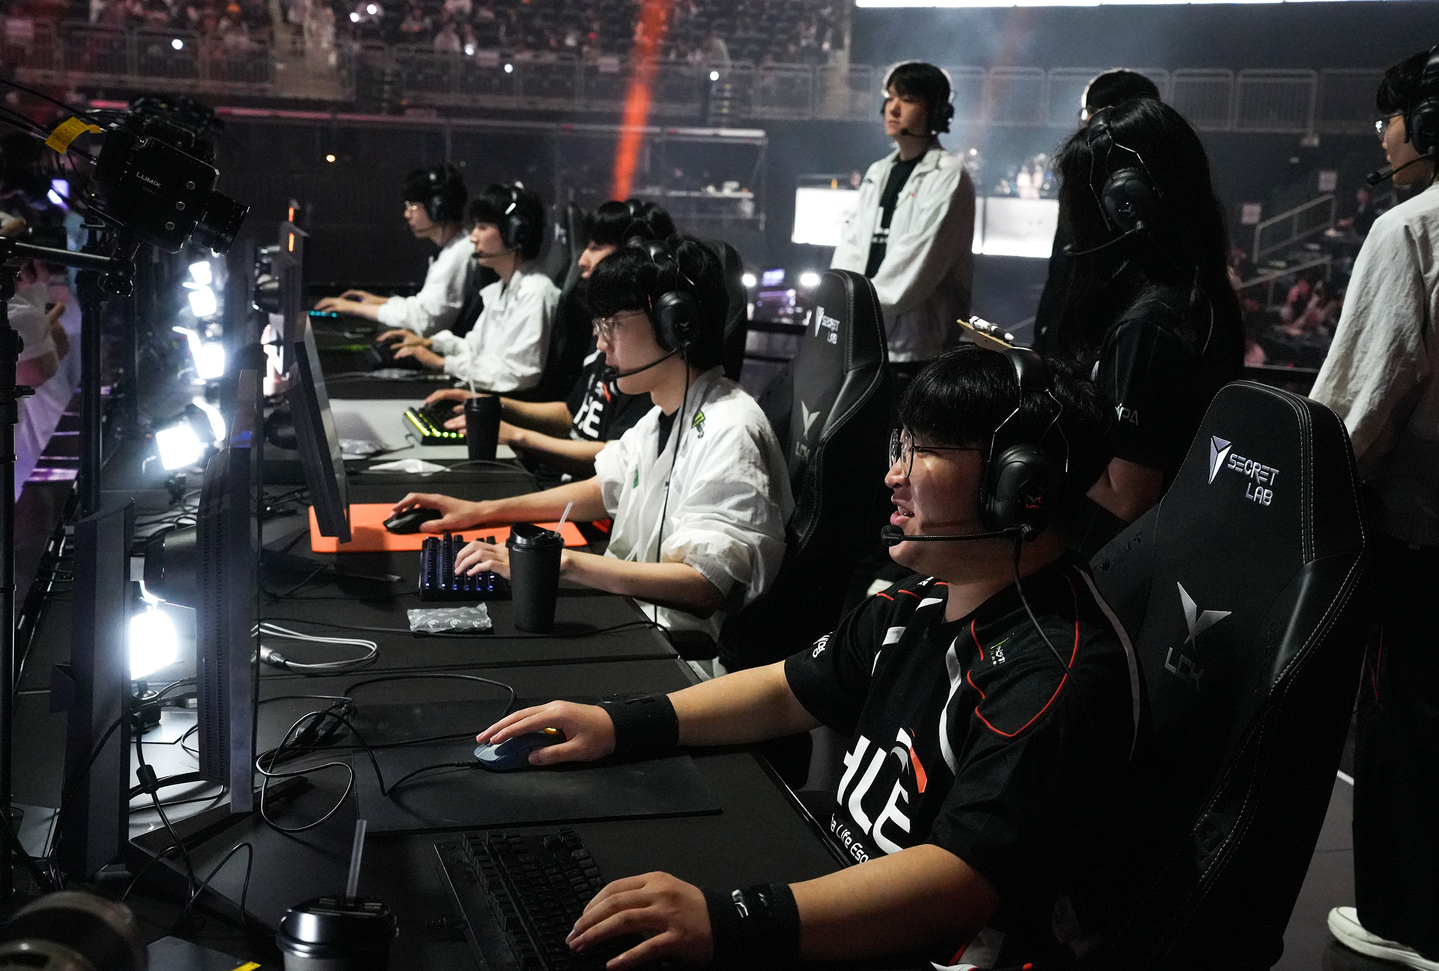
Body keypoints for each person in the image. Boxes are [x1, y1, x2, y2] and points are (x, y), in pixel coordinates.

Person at [472, 346, 1140, 970]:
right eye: (897, 447)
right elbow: (790, 689)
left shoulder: (1055, 671)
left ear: (1015, 485)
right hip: (838, 883)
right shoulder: (920, 598)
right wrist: (619, 722)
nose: (892, 475)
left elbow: (957, 884)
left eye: (922, 452)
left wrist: (728, 918)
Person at [391, 235, 791, 649]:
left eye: (612, 326)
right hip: (635, 619)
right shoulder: (663, 416)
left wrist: (561, 563)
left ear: (677, 328)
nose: (601, 344)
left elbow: (705, 584)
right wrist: (482, 512)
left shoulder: (731, 427)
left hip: (675, 655)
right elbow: (607, 487)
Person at [1308, 46, 1439, 971]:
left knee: (1405, 717)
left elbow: (1350, 411)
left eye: (1391, 118)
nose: (1382, 136)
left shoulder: (1409, 231)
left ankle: (1406, 918)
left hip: (1418, 532)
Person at [1047, 97, 1243, 553]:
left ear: (1127, 206)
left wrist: (1043, 406)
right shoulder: (1200, 296)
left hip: (1117, 574)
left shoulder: (1149, 327)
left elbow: (1126, 494)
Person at [424, 199, 672, 478]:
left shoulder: (643, 361)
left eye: (594, 247)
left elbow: (615, 459)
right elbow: (571, 416)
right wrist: (490, 404)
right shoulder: (604, 340)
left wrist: (519, 437)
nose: (581, 261)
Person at [830, 61, 976, 380]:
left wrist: (855, 306)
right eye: (891, 97)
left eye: (908, 100)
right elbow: (851, 247)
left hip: (917, 352)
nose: (893, 109)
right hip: (865, 341)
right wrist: (844, 299)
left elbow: (917, 265)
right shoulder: (878, 171)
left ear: (937, 113)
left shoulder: (948, 175)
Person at [381, 183, 560, 392]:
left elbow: (518, 373)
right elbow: (475, 348)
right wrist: (431, 344)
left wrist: (443, 364)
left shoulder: (535, 292)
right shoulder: (502, 289)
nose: (473, 237)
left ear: (515, 233)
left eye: (482, 227)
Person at [1033, 69, 1163, 352]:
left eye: (1090, 113)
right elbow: (1061, 268)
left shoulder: (1145, 193)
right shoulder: (1083, 177)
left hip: (1109, 346)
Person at [314, 165, 473, 337]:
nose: (406, 214)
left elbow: (424, 320)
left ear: (437, 208)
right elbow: (425, 306)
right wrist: (382, 302)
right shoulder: (454, 249)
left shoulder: (457, 256)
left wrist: (355, 308)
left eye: (413, 206)